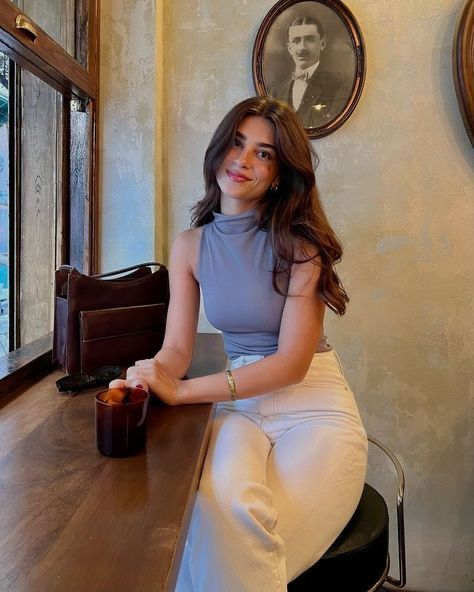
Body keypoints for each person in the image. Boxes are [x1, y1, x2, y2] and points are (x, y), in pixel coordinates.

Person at [111, 96, 367, 591]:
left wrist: (184, 392)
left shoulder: (301, 245)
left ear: (279, 174)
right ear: (219, 149)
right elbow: (177, 350)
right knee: (217, 516)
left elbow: (291, 364)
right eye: (237, 142)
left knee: (221, 555)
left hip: (314, 407)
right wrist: (151, 374)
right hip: (241, 408)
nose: (244, 160)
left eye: (263, 153)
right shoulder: (189, 246)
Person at [270, 16, 352, 129]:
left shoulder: (338, 86)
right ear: (289, 48)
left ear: (322, 44)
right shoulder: (277, 91)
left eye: (310, 40)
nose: (302, 47)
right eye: (296, 41)